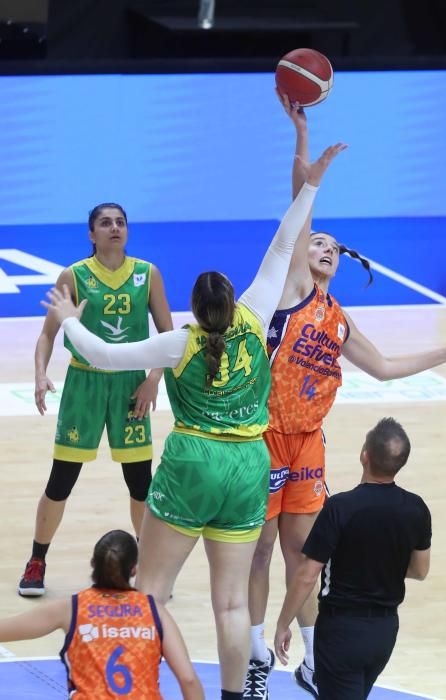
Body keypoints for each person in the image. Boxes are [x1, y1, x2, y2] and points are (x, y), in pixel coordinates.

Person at [41, 143, 346, 700]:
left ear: (193, 307)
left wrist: (66, 321)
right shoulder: (255, 320)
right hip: (251, 465)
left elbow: (104, 357)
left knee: (151, 591)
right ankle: (234, 695)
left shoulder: (179, 343)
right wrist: (312, 185)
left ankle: (131, 689)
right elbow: (284, 243)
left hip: (194, 463)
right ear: (233, 300)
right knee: (230, 603)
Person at [245, 95, 446, 699]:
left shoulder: (337, 317)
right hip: (263, 435)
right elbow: (296, 212)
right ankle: (253, 656)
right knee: (262, 546)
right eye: (317, 242)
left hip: (308, 443)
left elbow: (383, 367)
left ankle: (312, 656)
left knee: (304, 551)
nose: (323, 247)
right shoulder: (293, 288)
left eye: (332, 246)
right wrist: (303, 140)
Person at [18, 203, 173, 598]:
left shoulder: (147, 273)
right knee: (61, 480)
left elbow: (169, 336)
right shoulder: (74, 275)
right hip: (84, 385)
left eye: (120, 222)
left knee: (141, 483)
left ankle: (147, 566)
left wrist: (153, 378)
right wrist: (40, 373)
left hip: (129, 386)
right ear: (91, 234)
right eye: (105, 223)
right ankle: (37, 560)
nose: (115, 228)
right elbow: (46, 335)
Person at [273, 418, 431, 700]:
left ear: (364, 456)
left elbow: (307, 575)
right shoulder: (416, 509)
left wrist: (283, 623)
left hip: (340, 632)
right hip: (384, 633)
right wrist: (381, 564)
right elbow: (419, 571)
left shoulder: (338, 508)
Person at [1, 529, 204, 699]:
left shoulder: (72, 608)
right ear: (134, 570)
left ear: (92, 563)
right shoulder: (154, 611)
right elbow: (189, 680)